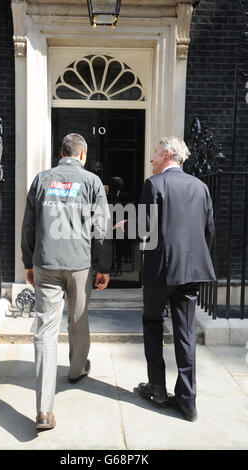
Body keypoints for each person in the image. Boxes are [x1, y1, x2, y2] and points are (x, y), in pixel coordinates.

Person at [115, 137, 216, 421]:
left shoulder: (155, 184)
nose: (151, 159)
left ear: (167, 154)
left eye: (155, 154)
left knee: (152, 324)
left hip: (161, 270)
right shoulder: (201, 187)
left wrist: (126, 224)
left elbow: (147, 225)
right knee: (185, 335)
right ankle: (188, 401)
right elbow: (209, 231)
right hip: (190, 271)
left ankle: (157, 388)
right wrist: (196, 261)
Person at [21, 133, 112, 430]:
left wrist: (28, 262)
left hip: (46, 262)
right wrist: (104, 267)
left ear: (61, 153)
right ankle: (75, 371)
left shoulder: (42, 179)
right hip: (80, 264)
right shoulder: (92, 182)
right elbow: (101, 227)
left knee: (45, 331)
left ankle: (44, 411)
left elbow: (29, 225)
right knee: (78, 319)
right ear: (82, 155)